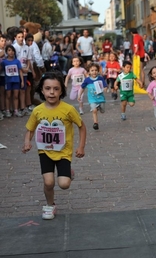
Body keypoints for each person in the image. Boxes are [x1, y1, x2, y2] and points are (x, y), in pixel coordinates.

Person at [22, 71, 86, 220]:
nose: (52, 92)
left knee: (64, 184)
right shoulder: (37, 111)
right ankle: (50, 205)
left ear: (62, 91)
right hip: (45, 151)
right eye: (48, 88)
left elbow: (82, 127)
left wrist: (81, 146)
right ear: (42, 91)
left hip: (64, 152)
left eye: (56, 89)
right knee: (49, 182)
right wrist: (27, 142)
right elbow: (30, 129)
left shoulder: (68, 110)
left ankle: (68, 172)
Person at [78, 62, 107, 130]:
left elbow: (105, 86)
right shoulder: (87, 80)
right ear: (89, 72)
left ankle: (99, 107)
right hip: (92, 99)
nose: (94, 72)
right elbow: (82, 88)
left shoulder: (100, 78)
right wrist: (79, 95)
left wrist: (104, 89)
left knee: (102, 111)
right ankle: (95, 123)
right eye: (92, 70)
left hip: (101, 99)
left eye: (96, 70)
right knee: (94, 111)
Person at [1, 45, 24, 118]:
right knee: (8, 95)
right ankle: (7, 110)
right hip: (8, 81)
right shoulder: (4, 62)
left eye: (12, 50)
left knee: (16, 96)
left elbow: (20, 71)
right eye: (9, 50)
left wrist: (22, 81)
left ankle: (16, 110)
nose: (11, 52)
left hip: (16, 81)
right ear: (6, 52)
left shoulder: (17, 61)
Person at [13, 29, 32, 116]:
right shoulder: (14, 47)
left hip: (25, 72)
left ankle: (23, 108)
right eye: (19, 37)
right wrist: (20, 69)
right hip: (16, 73)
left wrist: (27, 68)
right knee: (16, 92)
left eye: (22, 37)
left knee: (23, 90)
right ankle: (17, 109)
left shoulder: (27, 47)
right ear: (15, 38)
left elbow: (28, 60)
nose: (21, 39)